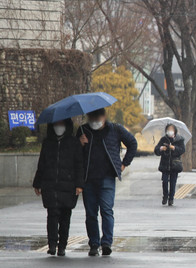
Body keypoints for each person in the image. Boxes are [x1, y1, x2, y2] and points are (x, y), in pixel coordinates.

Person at [78, 108, 137, 256]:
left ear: (104, 117)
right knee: (91, 213)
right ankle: (94, 243)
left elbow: (132, 143)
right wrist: (78, 143)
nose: (95, 121)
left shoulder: (115, 129)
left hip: (107, 178)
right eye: (92, 117)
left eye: (98, 117)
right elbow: (74, 154)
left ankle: (106, 243)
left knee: (106, 211)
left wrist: (124, 164)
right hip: (88, 179)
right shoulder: (83, 130)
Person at [33, 118, 84, 256]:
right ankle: (52, 244)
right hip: (50, 185)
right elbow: (42, 164)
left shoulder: (73, 143)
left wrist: (79, 184)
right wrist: (37, 183)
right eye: (56, 124)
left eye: (61, 124)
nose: (58, 127)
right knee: (52, 216)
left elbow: (79, 165)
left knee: (65, 217)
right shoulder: (47, 143)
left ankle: (62, 245)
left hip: (68, 185)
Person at [154, 123, 185, 206]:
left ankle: (171, 198)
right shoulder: (163, 139)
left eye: (171, 129)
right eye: (168, 129)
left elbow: (182, 150)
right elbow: (156, 150)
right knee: (164, 181)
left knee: (173, 182)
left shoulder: (179, 139)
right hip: (165, 164)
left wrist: (173, 148)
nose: (170, 131)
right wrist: (161, 149)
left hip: (175, 164)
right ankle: (165, 196)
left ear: (174, 130)